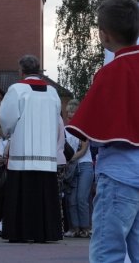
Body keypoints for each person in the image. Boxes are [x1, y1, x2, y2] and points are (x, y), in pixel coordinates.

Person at [66, 0, 139, 263]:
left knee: (108, 252)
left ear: (104, 36)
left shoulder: (112, 72)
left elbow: (88, 127)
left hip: (119, 177)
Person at [0, 54, 62, 243]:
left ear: (21, 70)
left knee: (22, 192)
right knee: (44, 193)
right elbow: (57, 116)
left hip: (23, 151)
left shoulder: (17, 89)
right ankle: (45, 232)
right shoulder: (52, 92)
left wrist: (8, 132)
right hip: (46, 152)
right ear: (38, 70)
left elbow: (7, 117)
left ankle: (21, 231)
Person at [63, 100, 94, 239]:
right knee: (71, 199)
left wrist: (69, 158)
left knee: (82, 197)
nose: (70, 115)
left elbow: (83, 150)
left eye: (73, 113)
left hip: (85, 165)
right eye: (68, 113)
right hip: (71, 167)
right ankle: (74, 227)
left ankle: (86, 228)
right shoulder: (64, 130)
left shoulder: (84, 129)